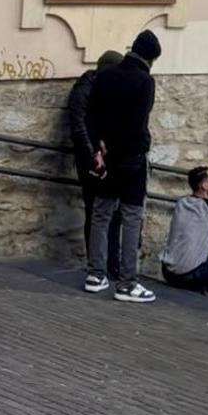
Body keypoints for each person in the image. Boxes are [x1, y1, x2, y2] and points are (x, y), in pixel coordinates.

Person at [82, 30, 162, 303]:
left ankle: (96, 274)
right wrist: (121, 148)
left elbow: (90, 115)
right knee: (131, 218)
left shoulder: (105, 77)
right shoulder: (145, 82)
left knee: (101, 213)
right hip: (131, 158)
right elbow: (138, 123)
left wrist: (99, 147)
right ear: (150, 58)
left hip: (105, 156)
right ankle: (127, 282)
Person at [68, 50, 124, 275]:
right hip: (91, 160)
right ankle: (98, 264)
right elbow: (79, 127)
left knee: (113, 213)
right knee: (96, 211)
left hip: (105, 157)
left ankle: (111, 265)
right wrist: (93, 157)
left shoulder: (103, 88)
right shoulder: (85, 90)